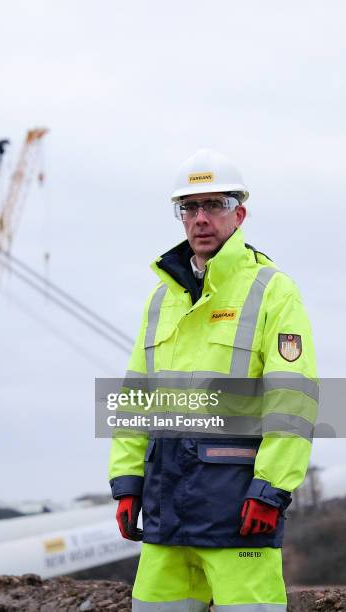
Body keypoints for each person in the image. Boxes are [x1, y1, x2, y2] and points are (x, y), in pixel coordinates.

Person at [108, 149, 318, 611]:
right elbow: (136, 398)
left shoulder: (272, 290)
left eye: (214, 205)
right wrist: (127, 481)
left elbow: (293, 401)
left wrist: (271, 490)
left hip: (238, 510)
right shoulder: (161, 298)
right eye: (190, 207)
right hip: (165, 513)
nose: (200, 218)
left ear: (238, 214)